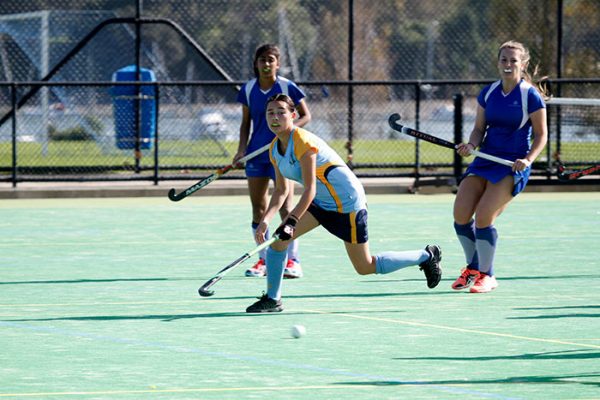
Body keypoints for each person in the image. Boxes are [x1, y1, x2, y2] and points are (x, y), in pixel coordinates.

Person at [246, 94, 442, 313]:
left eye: (281, 112)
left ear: (293, 115)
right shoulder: (274, 148)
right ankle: (273, 299)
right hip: (322, 202)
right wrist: (265, 221)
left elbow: (309, 189)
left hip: (347, 203)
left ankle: (426, 256)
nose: (275, 117)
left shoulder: (302, 141)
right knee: (278, 244)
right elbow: (282, 190)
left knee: (365, 266)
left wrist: (290, 220)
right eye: (270, 112)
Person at [451, 41, 548, 293]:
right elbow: (478, 129)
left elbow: (541, 135)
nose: (508, 65)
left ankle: (487, 275)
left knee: (483, 217)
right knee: (461, 215)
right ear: (498, 62)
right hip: (485, 159)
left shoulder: (530, 96)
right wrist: (471, 145)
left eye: (513, 61)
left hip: (511, 166)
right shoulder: (489, 92)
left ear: (522, 64)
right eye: (504, 60)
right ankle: (472, 268)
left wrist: (528, 159)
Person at [234, 44, 311, 279]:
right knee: (258, 209)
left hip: (283, 153)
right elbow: (246, 122)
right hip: (256, 156)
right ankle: (263, 260)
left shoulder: (287, 87)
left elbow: (306, 116)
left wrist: (285, 132)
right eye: (261, 60)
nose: (266, 64)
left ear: (277, 63)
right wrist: (241, 150)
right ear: (255, 63)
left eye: (270, 60)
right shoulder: (248, 89)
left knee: (286, 208)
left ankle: (293, 260)